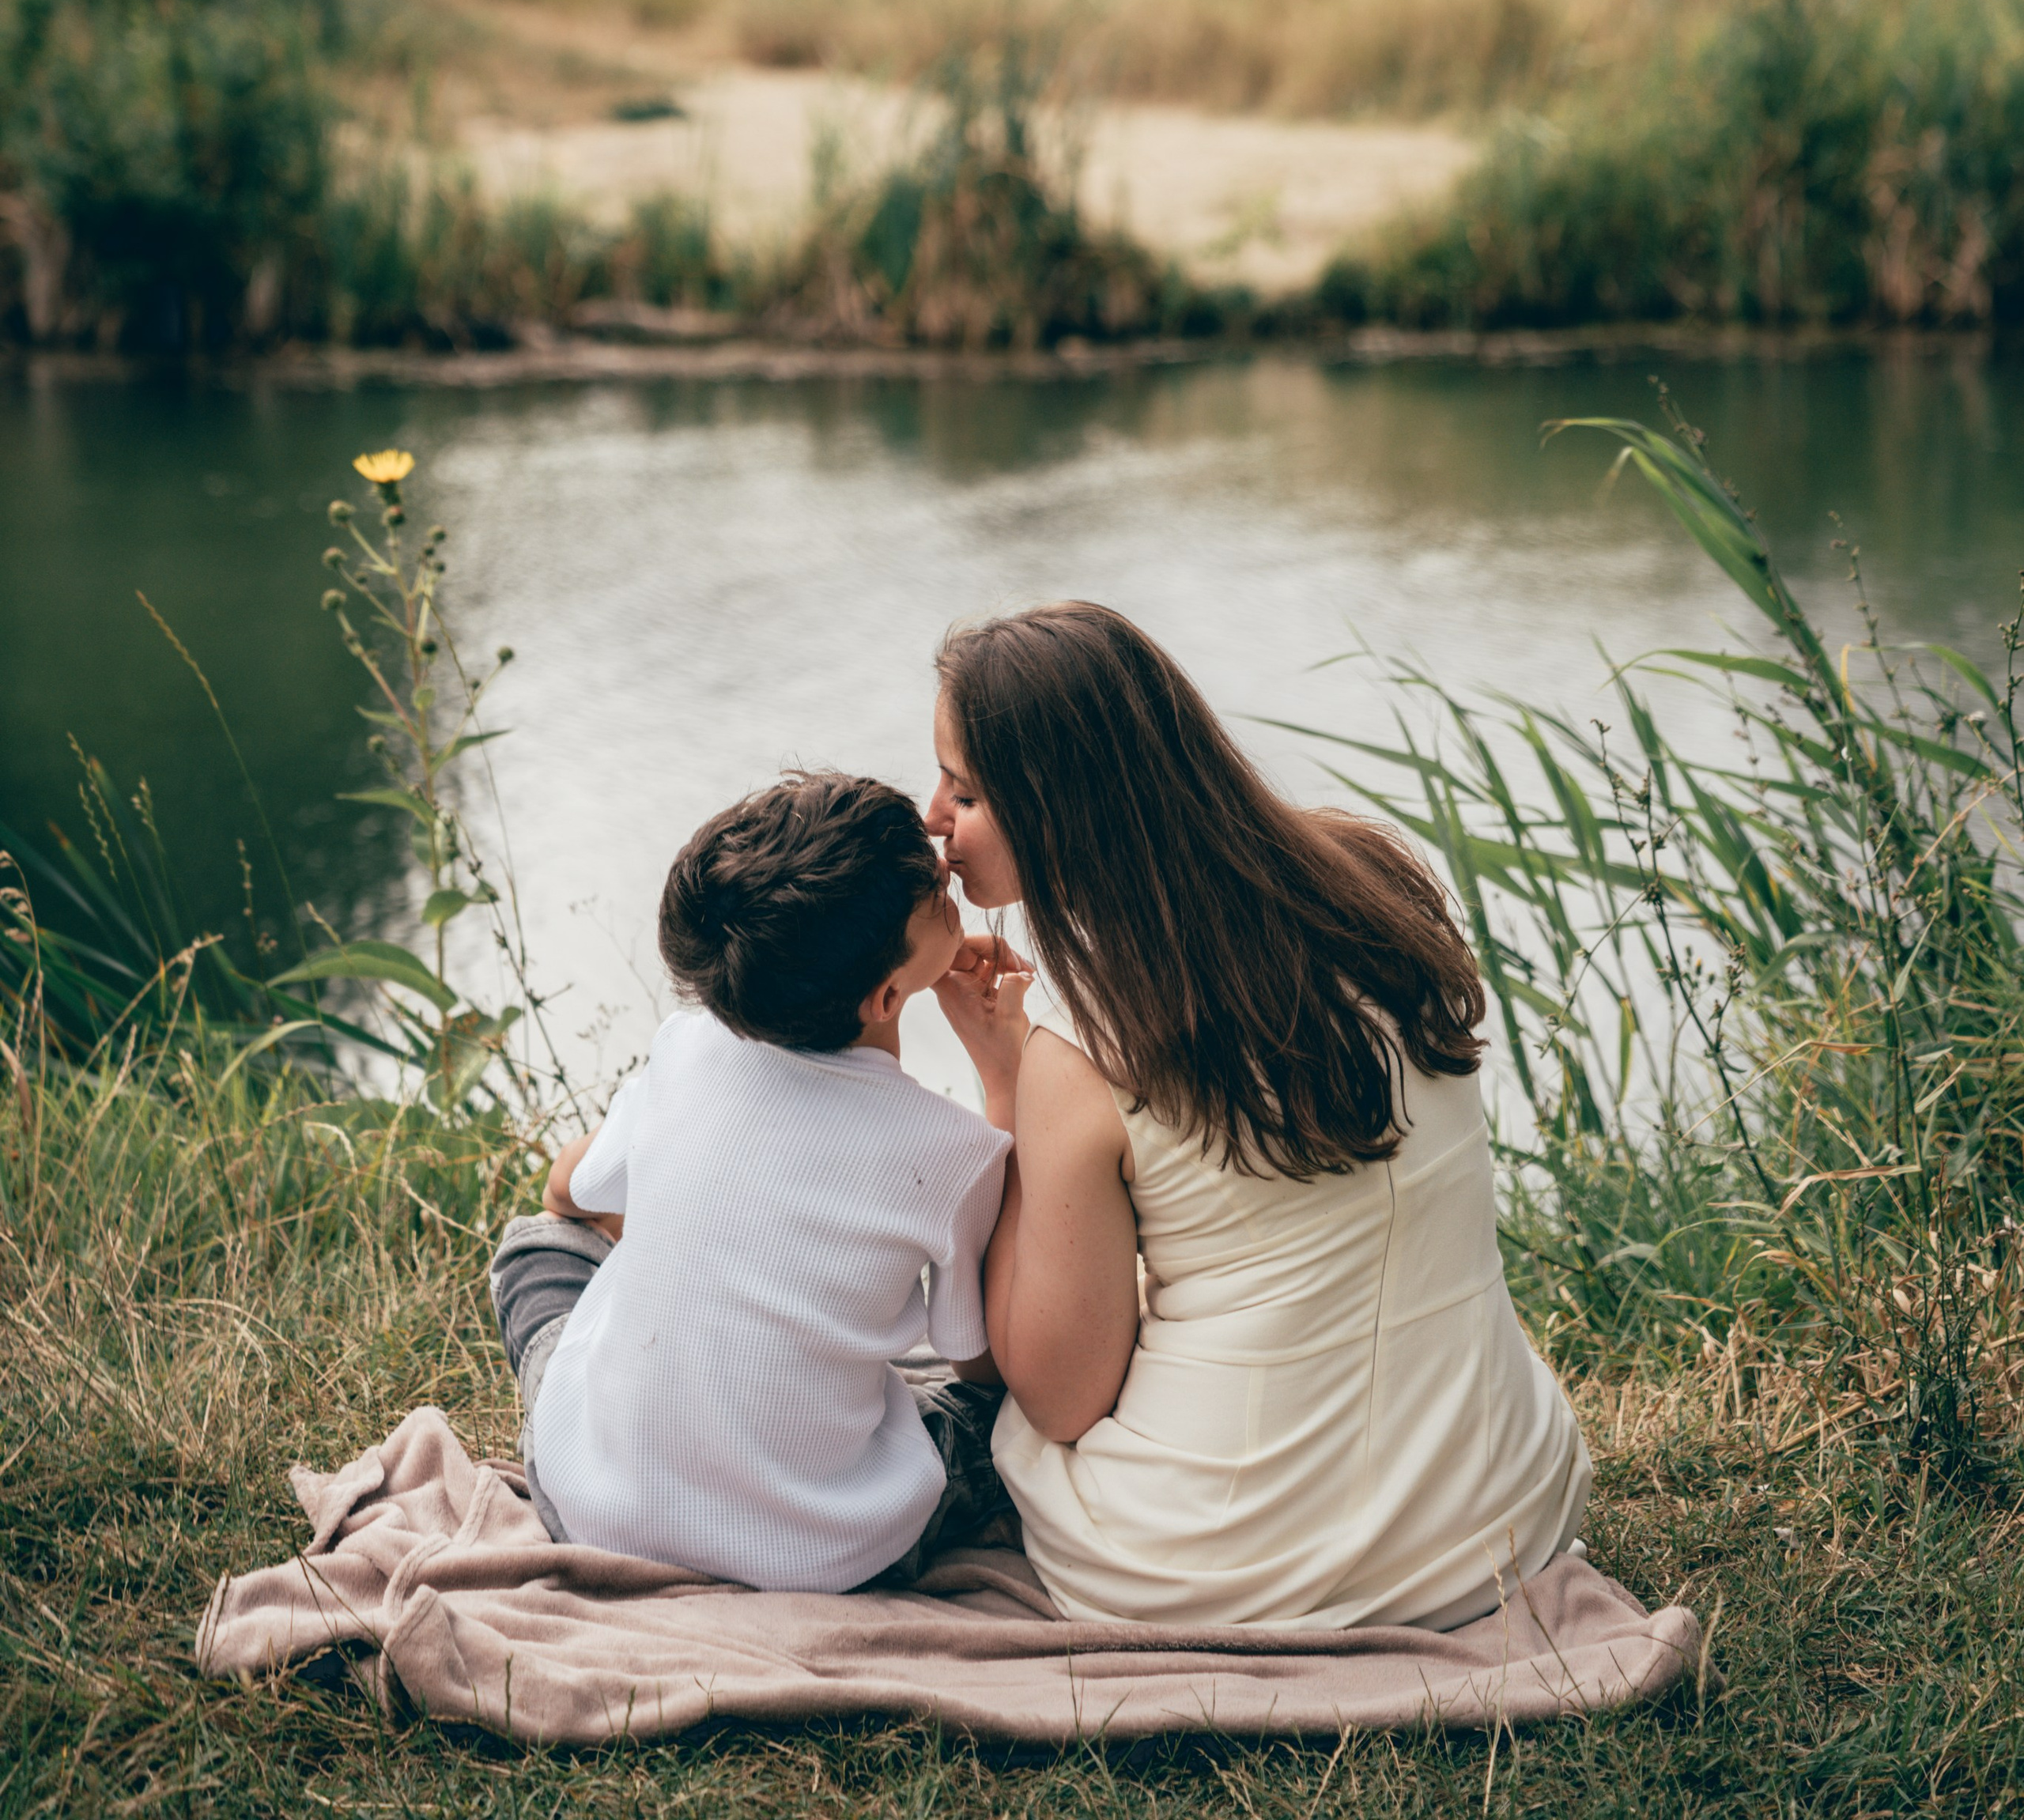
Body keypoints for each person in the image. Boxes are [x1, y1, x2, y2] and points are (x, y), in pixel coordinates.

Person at [925, 601, 1593, 1632]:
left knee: (985, 1417)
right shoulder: (1375, 884)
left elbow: (1060, 1395)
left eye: (964, 791)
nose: (935, 817)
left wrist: (1008, 1081)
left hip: (1236, 1564)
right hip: (1499, 1509)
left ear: (1056, 806)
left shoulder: (1088, 1041)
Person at [487, 768, 1027, 1590]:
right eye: (940, 902)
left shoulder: (688, 1043)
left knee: (534, 1245)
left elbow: (571, 1195)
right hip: (825, 1558)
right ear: (888, 994)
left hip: (593, 1508)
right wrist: (1002, 1077)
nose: (943, 862)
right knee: (1002, 1424)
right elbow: (981, 1362)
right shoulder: (953, 1151)